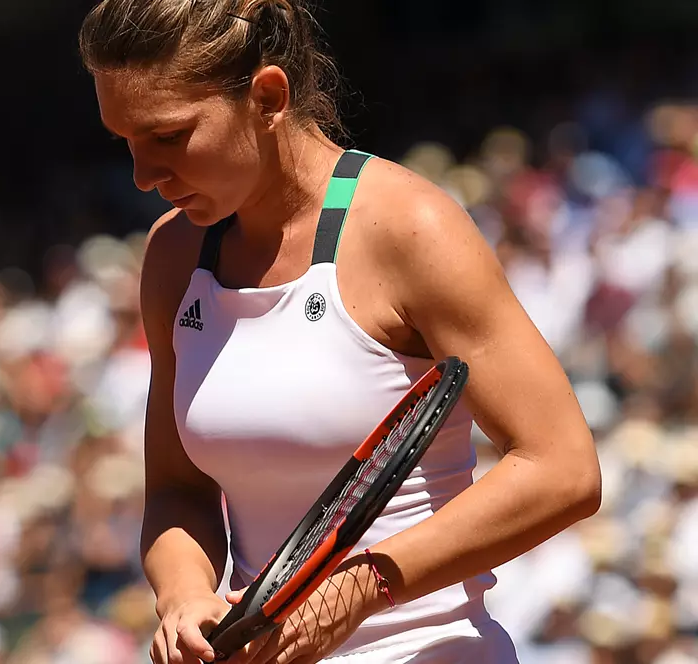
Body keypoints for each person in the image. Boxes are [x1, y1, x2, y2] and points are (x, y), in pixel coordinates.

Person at [77, 1, 603, 663]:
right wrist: (184, 597)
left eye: (169, 136)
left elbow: (563, 469)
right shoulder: (172, 257)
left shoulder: (412, 226)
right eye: (125, 141)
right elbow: (179, 490)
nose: (143, 176)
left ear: (268, 97)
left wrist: (363, 585)